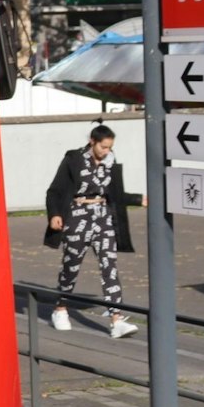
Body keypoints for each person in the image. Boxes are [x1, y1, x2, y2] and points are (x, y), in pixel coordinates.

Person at [45, 124, 145, 338]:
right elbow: (55, 190)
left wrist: (139, 199)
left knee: (110, 266)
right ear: (92, 141)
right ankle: (60, 308)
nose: (106, 151)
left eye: (110, 147)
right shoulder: (73, 159)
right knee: (71, 266)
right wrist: (54, 214)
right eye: (103, 147)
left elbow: (116, 194)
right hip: (77, 217)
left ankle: (116, 319)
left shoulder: (110, 162)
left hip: (103, 218)